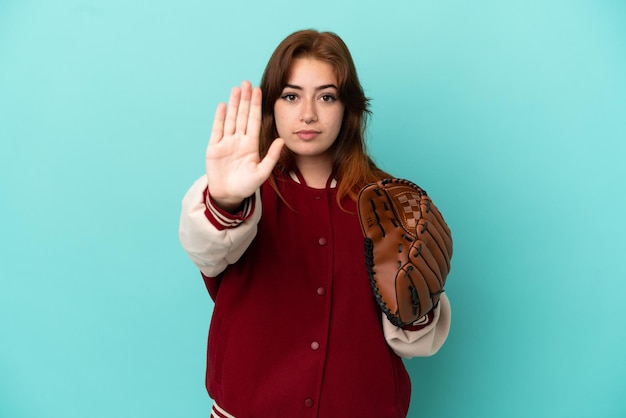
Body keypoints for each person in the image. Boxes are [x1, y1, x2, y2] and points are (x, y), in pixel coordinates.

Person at [179, 29, 451, 418]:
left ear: (348, 108)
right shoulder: (241, 190)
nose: (308, 113)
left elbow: (412, 340)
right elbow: (205, 252)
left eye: (326, 96)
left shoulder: (387, 201)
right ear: (272, 106)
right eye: (291, 96)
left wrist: (418, 305)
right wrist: (225, 200)